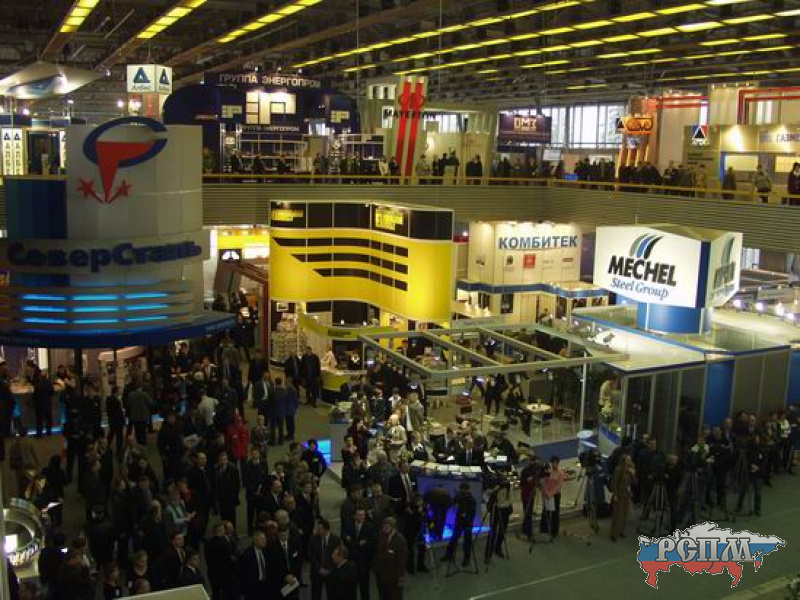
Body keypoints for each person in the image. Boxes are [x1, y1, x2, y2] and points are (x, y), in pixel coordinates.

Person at [342, 506, 374, 600]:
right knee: (351, 587)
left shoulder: (369, 527)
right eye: (359, 515)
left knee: (364, 588)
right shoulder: (349, 525)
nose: (362, 517)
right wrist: (359, 543)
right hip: (351, 561)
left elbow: (370, 544)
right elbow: (345, 539)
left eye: (363, 515)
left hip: (364, 562)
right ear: (355, 516)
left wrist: (352, 542)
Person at [373, 516, 407, 600]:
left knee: (395, 596)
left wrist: (400, 577)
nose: (384, 529)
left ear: (393, 528)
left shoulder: (400, 540)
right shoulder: (380, 535)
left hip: (393, 576)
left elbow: (401, 560)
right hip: (381, 574)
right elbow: (377, 551)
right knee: (383, 596)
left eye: (386, 527)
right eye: (383, 527)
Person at [443, 482, 476, 566]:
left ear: (467, 490)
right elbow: (451, 503)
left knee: (467, 541)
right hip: (459, 521)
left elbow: (472, 513)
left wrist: (466, 515)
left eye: (464, 491)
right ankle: (449, 555)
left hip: (467, 523)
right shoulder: (459, 496)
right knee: (454, 538)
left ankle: (466, 558)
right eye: (461, 491)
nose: (462, 492)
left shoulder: (471, 499)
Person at [309, 518, 340, 600]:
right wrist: (319, 569)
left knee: (332, 595)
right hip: (316, 573)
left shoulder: (336, 540)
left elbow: (338, 557)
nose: (317, 530)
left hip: (331, 573)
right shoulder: (313, 539)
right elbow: (311, 556)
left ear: (326, 529)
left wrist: (329, 569)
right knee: (315, 596)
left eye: (320, 528)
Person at [266, 525, 302, 599]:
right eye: (282, 535)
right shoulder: (272, 547)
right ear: (278, 534)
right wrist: (285, 576)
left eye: (287, 534)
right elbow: (272, 566)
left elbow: (298, 561)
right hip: (280, 581)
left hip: (293, 579)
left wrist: (293, 575)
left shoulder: (294, 544)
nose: (285, 537)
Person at [610, 454, 635, 541]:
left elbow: (634, 482)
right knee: (618, 514)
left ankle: (621, 530)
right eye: (628, 460)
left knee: (625, 514)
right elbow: (614, 483)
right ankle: (614, 533)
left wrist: (632, 473)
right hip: (619, 494)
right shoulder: (619, 470)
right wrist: (615, 494)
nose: (630, 462)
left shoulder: (630, 471)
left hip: (626, 494)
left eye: (630, 460)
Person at [238, 530, 270, 600]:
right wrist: (241, 592)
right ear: (255, 541)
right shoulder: (247, 555)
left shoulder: (268, 551)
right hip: (253, 588)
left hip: (266, 586)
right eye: (262, 539)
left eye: (265, 538)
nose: (265, 541)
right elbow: (241, 574)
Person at [213, 451, 241, 526]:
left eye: (225, 459)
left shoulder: (233, 469)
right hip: (221, 498)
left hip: (230, 497)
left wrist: (235, 495)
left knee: (232, 517)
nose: (224, 461)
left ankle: (233, 530)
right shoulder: (216, 469)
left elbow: (237, 484)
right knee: (223, 516)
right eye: (222, 460)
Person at [540, 456, 565, 539]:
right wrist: (546, 492)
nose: (554, 464)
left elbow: (559, 485)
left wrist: (551, 493)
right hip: (546, 494)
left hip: (555, 494)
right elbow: (543, 482)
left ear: (558, 463)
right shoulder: (548, 471)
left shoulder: (561, 473)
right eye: (553, 463)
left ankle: (554, 531)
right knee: (545, 512)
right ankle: (544, 529)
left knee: (555, 513)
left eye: (556, 463)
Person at [127, 381, 152, 445]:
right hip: (143, 416)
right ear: (140, 387)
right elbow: (150, 403)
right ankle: (143, 445)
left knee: (137, 431)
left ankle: (139, 444)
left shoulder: (130, 395)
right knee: (143, 432)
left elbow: (129, 404)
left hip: (134, 417)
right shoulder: (144, 394)